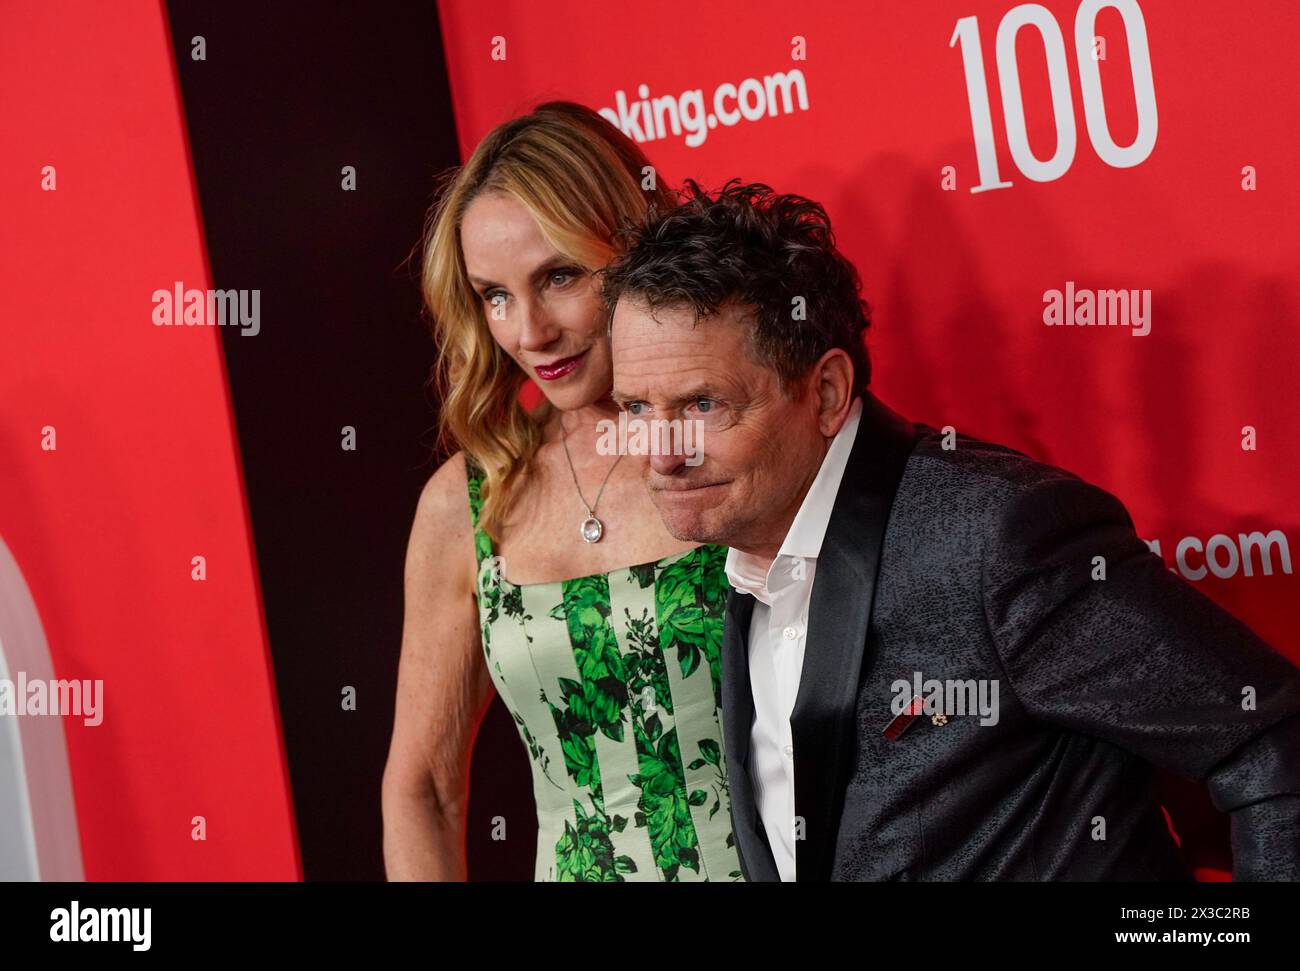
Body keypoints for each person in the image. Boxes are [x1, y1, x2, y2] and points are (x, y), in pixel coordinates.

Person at [602, 178, 1300, 881]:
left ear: (825, 392)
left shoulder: (997, 534)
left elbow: (1269, 737)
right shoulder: (738, 551)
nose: (662, 451)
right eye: (634, 405)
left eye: (703, 402)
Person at [381, 103, 743, 882]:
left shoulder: (737, 441)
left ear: (638, 245)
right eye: (495, 294)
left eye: (560, 275)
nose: (530, 330)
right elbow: (424, 791)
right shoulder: (470, 501)